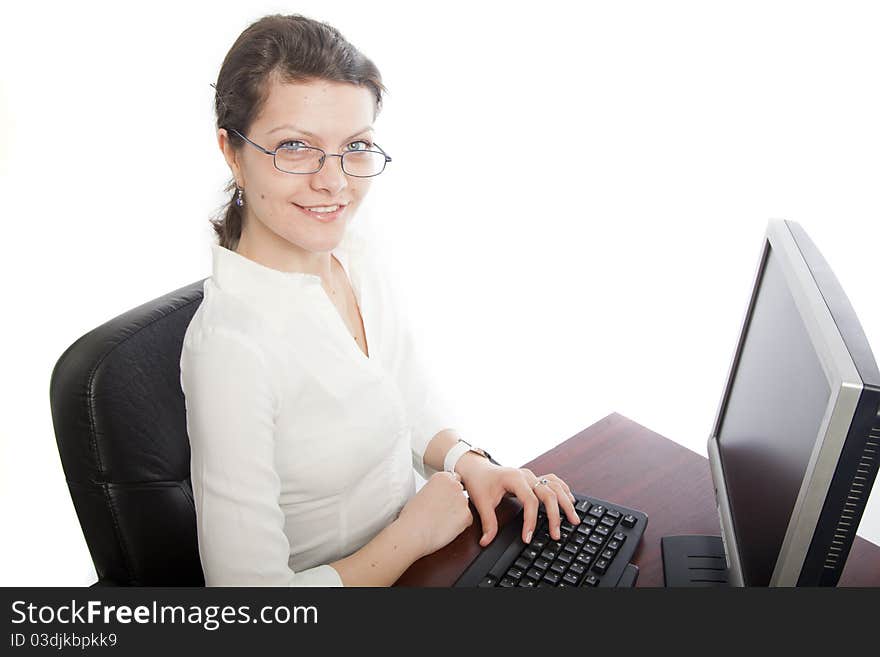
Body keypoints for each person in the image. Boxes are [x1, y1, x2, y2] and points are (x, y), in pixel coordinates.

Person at [180, 13, 581, 587]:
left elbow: (400, 400)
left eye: (356, 146)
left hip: (426, 565)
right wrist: (411, 535)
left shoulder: (354, 252)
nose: (334, 183)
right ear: (231, 151)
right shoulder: (230, 349)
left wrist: (472, 463)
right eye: (295, 146)